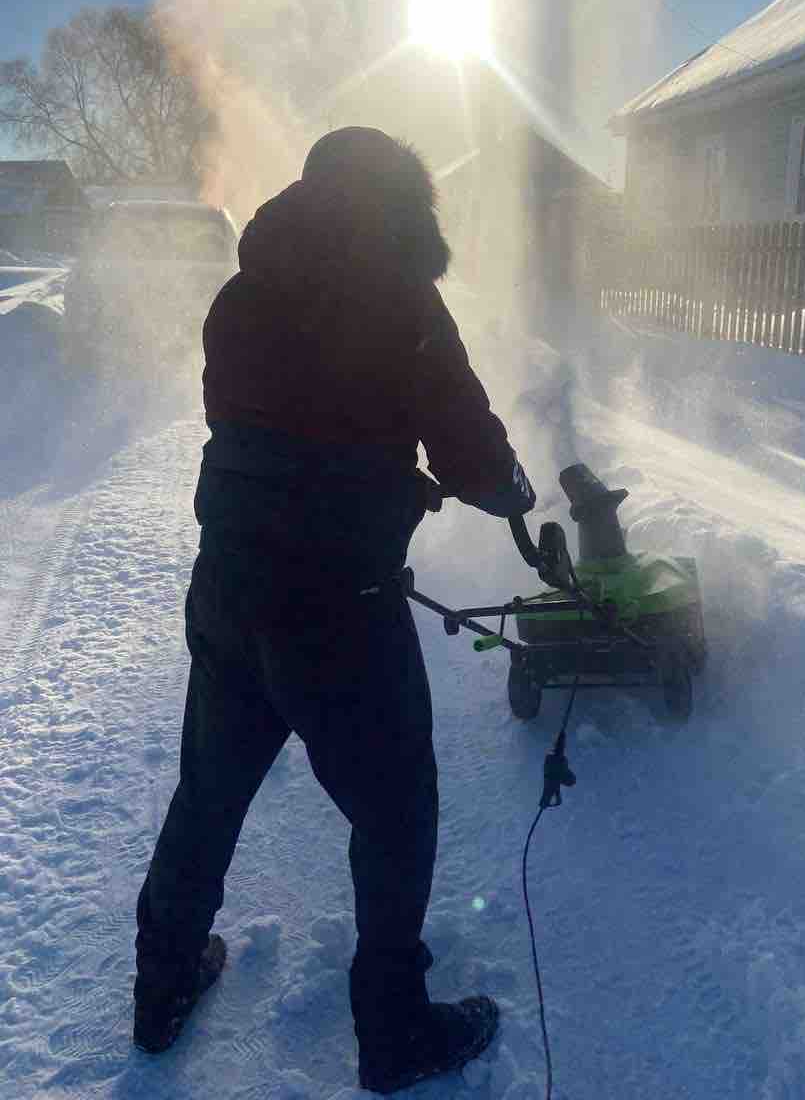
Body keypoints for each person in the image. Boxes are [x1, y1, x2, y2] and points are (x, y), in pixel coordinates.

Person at [132, 127, 536, 1094]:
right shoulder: (404, 301)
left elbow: (252, 430)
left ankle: (160, 988)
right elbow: (471, 451)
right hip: (339, 613)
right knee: (398, 814)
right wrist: (510, 491)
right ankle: (395, 1034)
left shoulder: (239, 297)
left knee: (209, 793)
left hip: (228, 589)